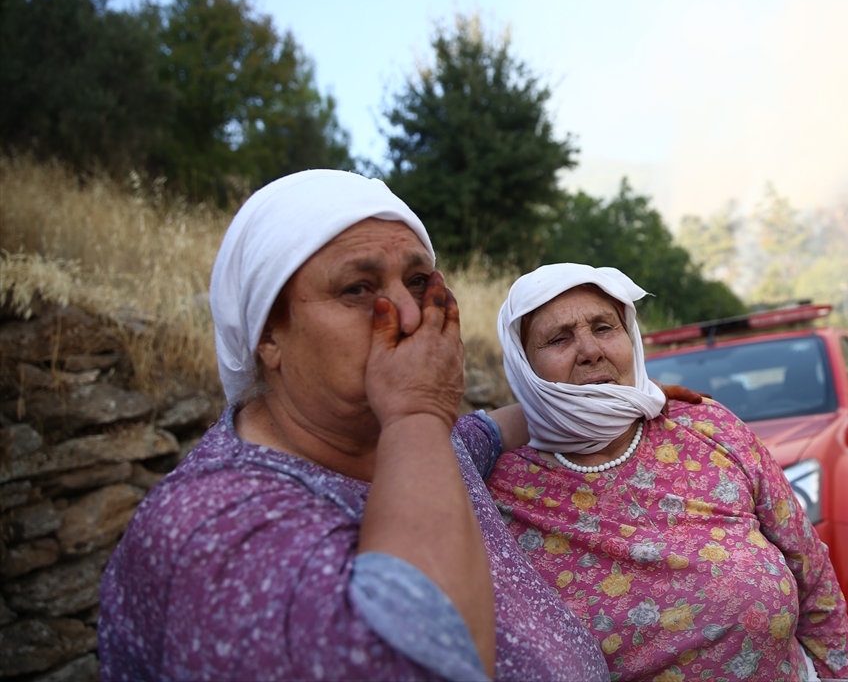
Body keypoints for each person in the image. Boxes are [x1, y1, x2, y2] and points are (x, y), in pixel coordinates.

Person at [99, 171, 608, 681]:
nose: (409, 315)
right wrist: (417, 413)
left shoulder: (425, 445)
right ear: (268, 334)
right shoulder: (213, 530)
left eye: (417, 282)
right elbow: (427, 660)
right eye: (357, 288)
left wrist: (615, 400)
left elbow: (486, 433)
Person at [486, 264, 848, 682]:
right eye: (559, 339)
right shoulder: (499, 490)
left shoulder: (709, 429)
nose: (590, 350)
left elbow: (816, 582)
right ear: (522, 365)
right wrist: (544, 410)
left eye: (605, 328)